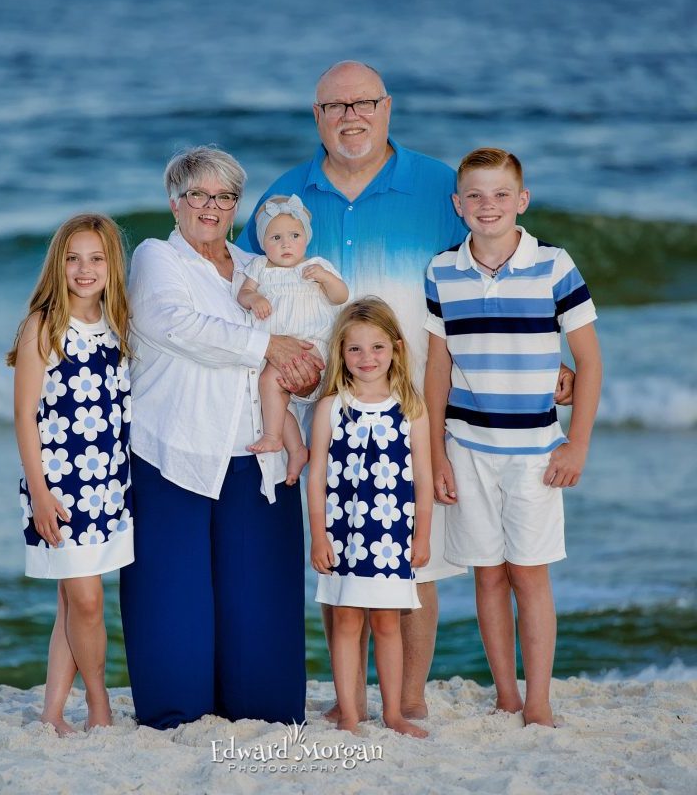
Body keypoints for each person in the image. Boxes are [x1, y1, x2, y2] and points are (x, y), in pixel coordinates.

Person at [238, 59, 575, 721]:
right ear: (317, 117)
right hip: (323, 410)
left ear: (387, 107)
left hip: (417, 410)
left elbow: (491, 275)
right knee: (338, 564)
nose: (349, 117)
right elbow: (247, 286)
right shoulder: (285, 194)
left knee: (414, 570)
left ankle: (409, 696)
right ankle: (350, 701)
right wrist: (270, 355)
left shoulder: (438, 187)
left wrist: (548, 361)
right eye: (334, 107)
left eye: (362, 103)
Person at [120, 146, 317, 730]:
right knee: (173, 603)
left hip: (257, 456)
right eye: (198, 195)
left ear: (236, 206)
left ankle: (260, 712)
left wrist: (302, 380)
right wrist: (267, 347)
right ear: (174, 202)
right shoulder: (159, 258)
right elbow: (174, 325)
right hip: (173, 453)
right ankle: (176, 715)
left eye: (224, 196)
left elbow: (298, 337)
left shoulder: (255, 265)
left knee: (261, 607)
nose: (211, 207)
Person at [425, 148, 602, 726]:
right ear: (458, 205)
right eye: (474, 195)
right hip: (466, 447)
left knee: (529, 573)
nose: (488, 205)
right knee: (487, 573)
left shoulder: (553, 265)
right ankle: (506, 693)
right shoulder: (441, 271)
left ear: (521, 200)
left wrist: (576, 443)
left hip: (535, 453)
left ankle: (540, 701)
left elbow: (590, 362)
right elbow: (436, 370)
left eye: (501, 194)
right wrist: (435, 456)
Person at [7, 213, 134, 734]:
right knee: (86, 599)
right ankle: (98, 702)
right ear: (58, 264)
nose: (85, 269)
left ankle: (53, 710)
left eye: (97, 258)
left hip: (110, 486)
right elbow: (24, 416)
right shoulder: (44, 325)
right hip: (59, 487)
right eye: (73, 258)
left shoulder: (119, 324)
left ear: (111, 266)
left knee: (70, 602)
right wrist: (39, 493)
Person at [308, 298, 432, 738]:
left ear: (396, 348)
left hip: (392, 534)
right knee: (345, 620)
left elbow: (423, 480)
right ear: (341, 352)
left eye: (377, 348)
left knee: (386, 622)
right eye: (355, 349)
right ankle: (349, 712)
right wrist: (318, 536)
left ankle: (394, 713)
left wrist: (422, 537)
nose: (367, 359)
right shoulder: (330, 408)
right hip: (343, 534)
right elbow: (317, 476)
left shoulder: (410, 408)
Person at [237, 194, 348, 482]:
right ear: (263, 243)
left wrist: (325, 278)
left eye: (294, 235)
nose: (286, 243)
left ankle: (273, 437)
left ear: (306, 239)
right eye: (275, 237)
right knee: (269, 395)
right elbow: (243, 293)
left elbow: (341, 297)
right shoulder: (260, 268)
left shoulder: (315, 266)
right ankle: (296, 449)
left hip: (312, 345)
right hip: (274, 351)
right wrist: (254, 297)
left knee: (268, 384)